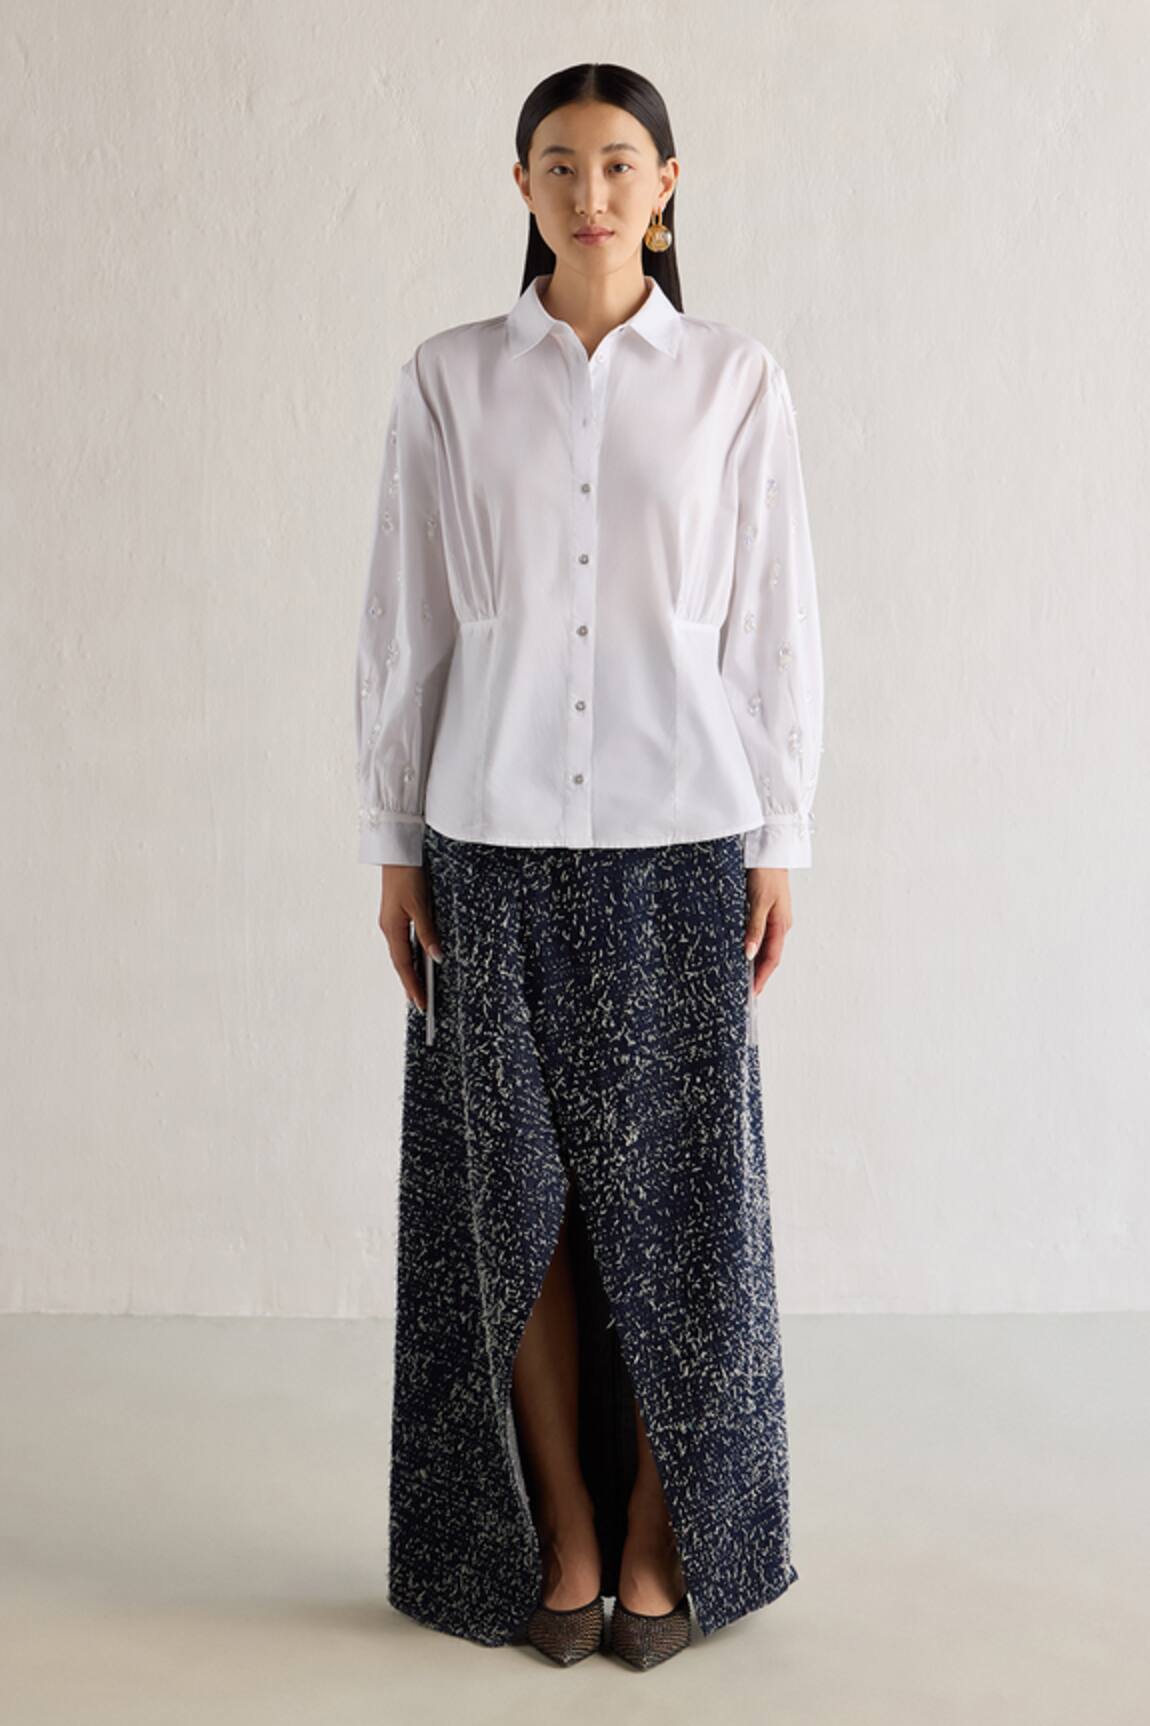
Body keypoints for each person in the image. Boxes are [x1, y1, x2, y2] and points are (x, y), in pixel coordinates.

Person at [355, 62, 824, 1671]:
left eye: (619, 163)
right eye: (557, 164)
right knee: (518, 1211)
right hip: (484, 842)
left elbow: (771, 621)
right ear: (521, 189)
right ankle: (556, 1522)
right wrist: (391, 839)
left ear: (666, 186)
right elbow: (407, 620)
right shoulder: (448, 380)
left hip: (679, 840)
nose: (590, 191)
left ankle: (656, 1533)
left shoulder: (735, 383)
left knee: (678, 1211)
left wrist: (779, 831)